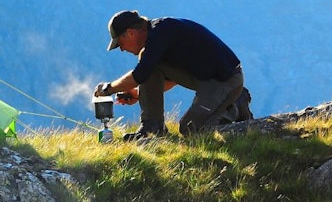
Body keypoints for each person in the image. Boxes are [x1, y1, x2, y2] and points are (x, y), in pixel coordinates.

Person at [95, 9, 252, 140]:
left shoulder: (161, 33)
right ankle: (153, 128)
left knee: (191, 129)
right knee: (150, 65)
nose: (122, 49)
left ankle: (234, 107)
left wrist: (108, 89)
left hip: (225, 81)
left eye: (120, 44)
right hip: (206, 79)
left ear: (130, 33)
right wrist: (139, 94)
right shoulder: (157, 36)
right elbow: (171, 77)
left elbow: (139, 75)